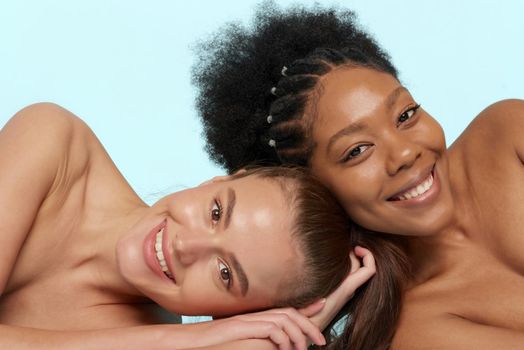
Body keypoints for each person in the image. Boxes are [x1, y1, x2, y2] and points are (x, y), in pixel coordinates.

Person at [193, 1, 524, 349]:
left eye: (406, 114)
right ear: (315, 194)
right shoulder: (413, 330)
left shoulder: (505, 134)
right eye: (357, 151)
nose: (405, 154)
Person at [0, 102, 377, 350]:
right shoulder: (58, 148)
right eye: (216, 213)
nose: (185, 247)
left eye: (225, 273)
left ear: (237, 316)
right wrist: (188, 338)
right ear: (220, 181)